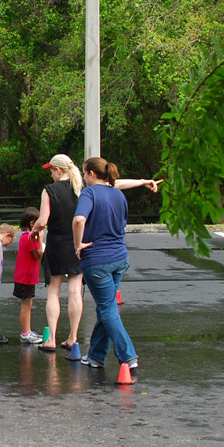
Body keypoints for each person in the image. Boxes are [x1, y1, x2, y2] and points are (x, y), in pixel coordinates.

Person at [72, 157, 154, 379]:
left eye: (83, 173)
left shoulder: (89, 194)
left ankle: (128, 357)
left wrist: (78, 244)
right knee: (105, 307)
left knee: (107, 309)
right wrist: (144, 181)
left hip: (97, 261)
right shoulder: (117, 194)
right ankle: (96, 356)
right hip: (120, 258)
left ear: (90, 174)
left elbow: (79, 219)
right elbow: (118, 189)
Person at [31, 154, 85, 353]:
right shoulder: (81, 188)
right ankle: (72, 337)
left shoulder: (49, 190)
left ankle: (52, 338)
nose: (51, 174)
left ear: (59, 170)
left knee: (53, 290)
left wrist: (34, 232)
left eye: (52, 170)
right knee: (74, 291)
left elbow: (43, 220)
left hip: (56, 242)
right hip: (76, 243)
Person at [14, 207, 44, 344]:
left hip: (25, 277)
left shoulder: (24, 236)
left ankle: (28, 330)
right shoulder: (31, 238)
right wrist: (40, 240)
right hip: (26, 278)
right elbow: (38, 255)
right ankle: (25, 333)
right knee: (26, 305)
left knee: (28, 304)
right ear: (33, 224)